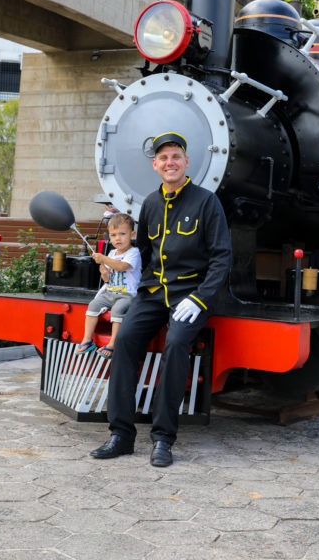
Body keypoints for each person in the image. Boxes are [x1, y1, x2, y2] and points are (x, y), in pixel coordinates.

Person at [91, 131, 232, 467]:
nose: (170, 163)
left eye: (176, 157)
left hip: (190, 295)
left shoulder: (206, 202)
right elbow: (144, 253)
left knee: (175, 346)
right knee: (123, 342)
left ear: (186, 162)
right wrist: (115, 269)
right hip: (153, 292)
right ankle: (121, 435)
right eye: (163, 158)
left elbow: (221, 257)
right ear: (155, 166)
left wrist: (200, 299)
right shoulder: (151, 204)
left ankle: (163, 439)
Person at [75, 213, 142, 359]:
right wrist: (104, 272)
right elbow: (107, 278)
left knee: (118, 310)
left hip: (127, 294)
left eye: (122, 234)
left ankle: (113, 343)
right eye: (113, 235)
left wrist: (103, 258)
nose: (118, 238)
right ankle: (87, 339)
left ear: (132, 235)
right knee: (93, 306)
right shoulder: (112, 252)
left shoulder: (133, 253)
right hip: (111, 292)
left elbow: (122, 266)